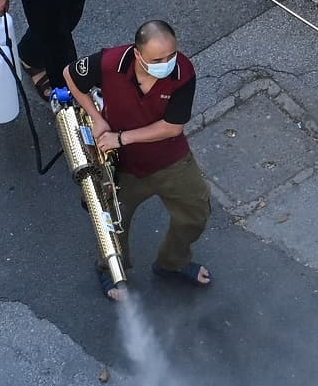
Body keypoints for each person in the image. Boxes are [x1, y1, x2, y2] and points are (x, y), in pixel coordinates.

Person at [63, 20, 213, 300]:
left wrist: (120, 137)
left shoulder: (183, 73)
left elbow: (172, 127)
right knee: (111, 224)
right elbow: (70, 75)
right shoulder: (110, 63)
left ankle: (174, 262)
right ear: (137, 54)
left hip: (170, 159)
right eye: (158, 59)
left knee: (196, 211)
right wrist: (97, 120)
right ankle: (111, 271)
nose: (167, 63)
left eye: (171, 55)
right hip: (121, 166)